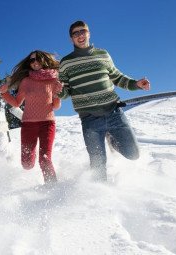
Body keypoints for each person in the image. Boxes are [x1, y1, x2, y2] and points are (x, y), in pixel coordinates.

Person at [59, 20, 151, 182]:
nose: (80, 35)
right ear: (71, 39)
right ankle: (100, 202)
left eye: (83, 31)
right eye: (76, 33)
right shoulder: (66, 63)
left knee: (133, 154)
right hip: (89, 119)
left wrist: (135, 84)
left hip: (114, 112)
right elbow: (65, 92)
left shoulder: (102, 54)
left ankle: (112, 141)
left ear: (89, 33)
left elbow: (118, 77)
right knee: (98, 167)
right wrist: (58, 90)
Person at [0, 50, 62, 185]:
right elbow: (17, 103)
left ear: (44, 60)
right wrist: (4, 93)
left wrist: (57, 94)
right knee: (27, 163)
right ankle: (32, 168)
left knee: (45, 158)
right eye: (31, 60)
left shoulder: (54, 80)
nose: (34, 62)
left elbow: (55, 106)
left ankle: (53, 188)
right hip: (28, 125)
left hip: (47, 123)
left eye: (37, 59)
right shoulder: (26, 81)